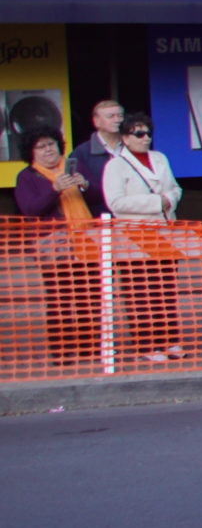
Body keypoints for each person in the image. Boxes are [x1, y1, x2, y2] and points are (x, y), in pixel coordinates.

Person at [101, 111, 185, 362]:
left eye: (148, 133)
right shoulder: (115, 165)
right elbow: (116, 202)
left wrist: (169, 199)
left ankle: (170, 340)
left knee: (165, 291)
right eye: (139, 134)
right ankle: (147, 344)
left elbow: (175, 187)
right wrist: (155, 202)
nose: (145, 137)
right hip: (134, 238)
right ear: (125, 138)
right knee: (140, 292)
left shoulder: (160, 158)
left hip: (164, 234)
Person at [16, 127, 103, 368]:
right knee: (60, 299)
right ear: (31, 152)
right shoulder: (27, 176)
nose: (48, 150)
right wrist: (53, 189)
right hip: (53, 244)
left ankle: (90, 348)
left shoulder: (73, 166)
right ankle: (62, 350)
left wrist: (85, 184)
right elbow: (30, 209)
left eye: (51, 144)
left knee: (89, 297)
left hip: (85, 239)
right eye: (41, 147)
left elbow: (98, 197)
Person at [72, 98, 123, 198]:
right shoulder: (81, 152)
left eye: (120, 116)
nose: (117, 120)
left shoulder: (133, 147)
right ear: (96, 121)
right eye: (111, 116)